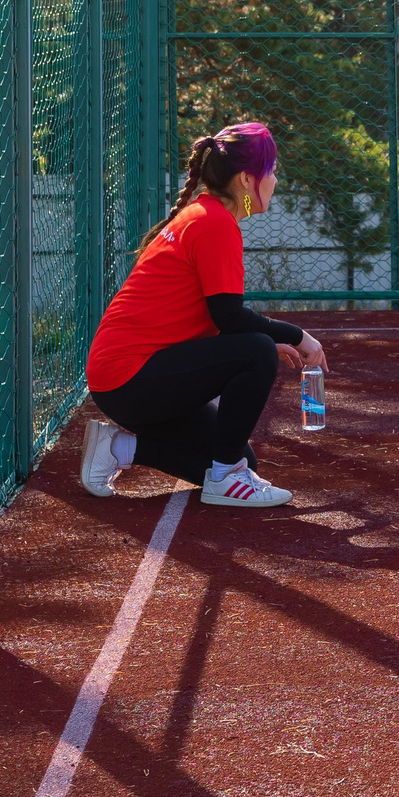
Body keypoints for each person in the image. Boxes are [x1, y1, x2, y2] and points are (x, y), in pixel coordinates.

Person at [81, 122, 325, 509]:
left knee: (241, 457)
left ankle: (121, 447)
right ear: (247, 180)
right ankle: (225, 479)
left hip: (128, 379)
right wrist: (298, 336)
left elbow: (206, 317)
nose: (275, 181)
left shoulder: (204, 215)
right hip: (129, 379)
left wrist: (261, 342)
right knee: (257, 350)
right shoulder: (214, 224)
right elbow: (229, 317)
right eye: (271, 171)